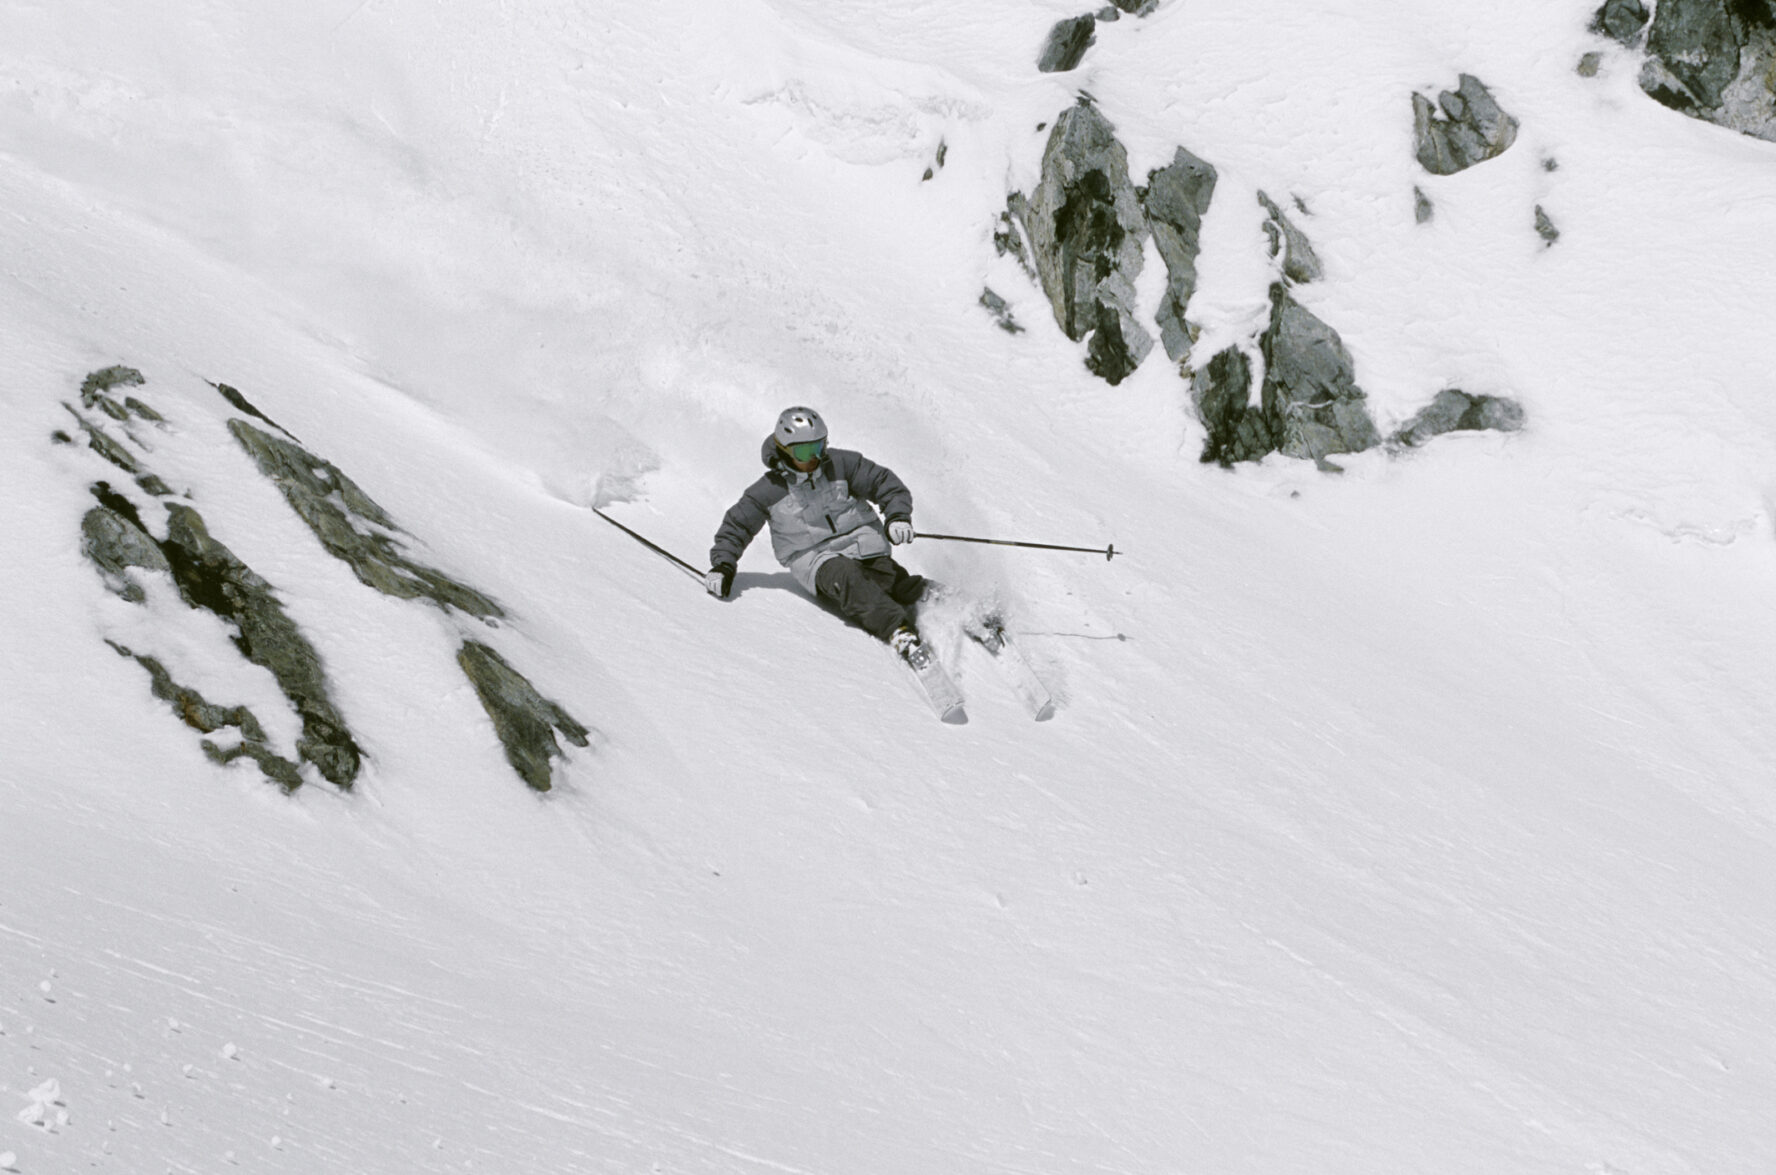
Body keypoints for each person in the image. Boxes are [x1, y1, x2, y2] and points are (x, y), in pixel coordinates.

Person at [706, 406, 930, 662]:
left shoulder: (841, 465)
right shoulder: (768, 490)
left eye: (819, 447)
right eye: (804, 451)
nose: (814, 457)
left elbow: (884, 483)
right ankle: (899, 631)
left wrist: (897, 517)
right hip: (815, 559)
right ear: (785, 450)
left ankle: (950, 604)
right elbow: (737, 526)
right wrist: (723, 565)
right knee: (850, 580)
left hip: (860, 545)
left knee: (891, 580)